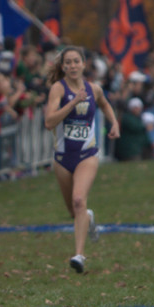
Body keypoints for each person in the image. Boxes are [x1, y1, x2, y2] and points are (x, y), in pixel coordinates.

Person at [43, 46, 120, 275]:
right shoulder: (58, 89)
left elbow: (105, 104)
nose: (73, 66)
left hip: (87, 154)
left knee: (79, 200)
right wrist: (73, 102)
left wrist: (113, 123)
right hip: (63, 158)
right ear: (63, 66)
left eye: (77, 61)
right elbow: (49, 122)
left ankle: (79, 255)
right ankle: (88, 217)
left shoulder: (93, 89)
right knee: (73, 211)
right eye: (68, 62)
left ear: (84, 64)